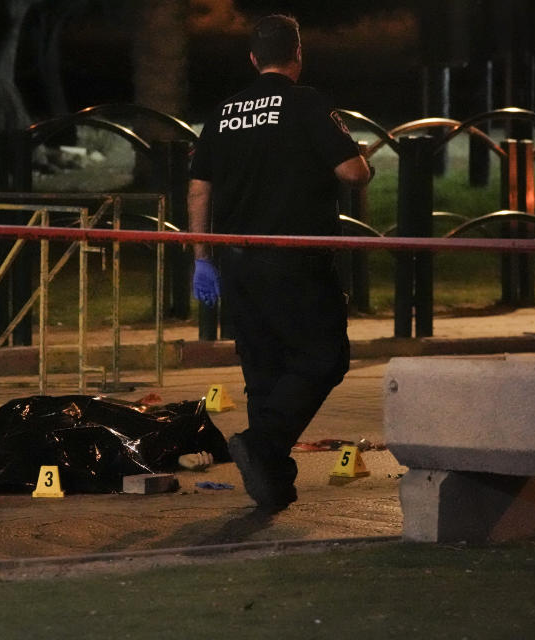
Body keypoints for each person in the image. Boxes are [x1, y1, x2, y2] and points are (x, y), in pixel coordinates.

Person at [188, 14, 372, 510]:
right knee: (323, 358)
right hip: (295, 260)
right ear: (297, 54)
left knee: (264, 371)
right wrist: (360, 155)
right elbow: (353, 173)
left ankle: (272, 482)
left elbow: (199, 188)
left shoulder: (224, 111)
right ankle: (263, 446)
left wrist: (202, 258)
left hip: (237, 263)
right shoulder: (307, 102)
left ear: (252, 58)